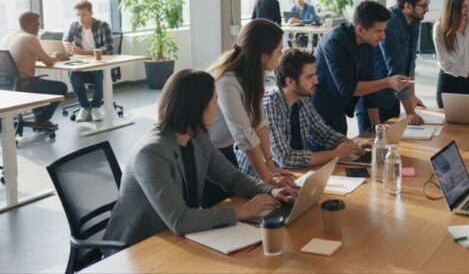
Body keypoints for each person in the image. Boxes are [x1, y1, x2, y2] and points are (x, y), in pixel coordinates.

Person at [103, 69, 297, 250]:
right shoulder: (151, 153)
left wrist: (271, 190)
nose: (217, 106)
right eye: (215, 101)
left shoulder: (197, 136)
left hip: (178, 239)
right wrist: (242, 212)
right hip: (140, 248)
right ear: (197, 107)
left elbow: (232, 178)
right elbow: (180, 220)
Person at [207, 19, 295, 197]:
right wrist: (268, 181)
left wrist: (271, 166)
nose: (281, 54)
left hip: (224, 148)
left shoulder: (254, 73)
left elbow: (259, 121)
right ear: (263, 56)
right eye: (279, 50)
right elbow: (244, 134)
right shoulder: (226, 81)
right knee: (224, 207)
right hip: (206, 153)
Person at [312, 0, 409, 135]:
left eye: (384, 30)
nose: (383, 36)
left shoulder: (368, 42)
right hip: (319, 108)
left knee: (342, 149)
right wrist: (388, 82)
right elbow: (347, 88)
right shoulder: (335, 41)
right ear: (360, 30)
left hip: (339, 107)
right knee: (329, 152)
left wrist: (378, 128)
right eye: (378, 31)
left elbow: (370, 86)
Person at [265, 49, 366, 168]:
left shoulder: (303, 99)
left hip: (292, 173)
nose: (317, 81)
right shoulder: (269, 106)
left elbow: (324, 133)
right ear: (290, 81)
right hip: (265, 179)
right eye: (310, 77)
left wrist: (352, 145)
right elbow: (285, 158)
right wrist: (335, 154)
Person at [356, 0, 431, 133]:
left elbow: (410, 63)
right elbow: (396, 69)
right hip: (374, 98)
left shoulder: (415, 21)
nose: (427, 9)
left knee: (394, 145)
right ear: (408, 5)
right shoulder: (390, 23)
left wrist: (412, 96)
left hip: (394, 94)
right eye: (423, 5)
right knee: (373, 147)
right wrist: (411, 113)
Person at [0, 11, 68, 129]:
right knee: (61, 87)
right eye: (37, 24)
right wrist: (56, 55)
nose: (38, 27)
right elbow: (48, 61)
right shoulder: (30, 38)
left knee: (37, 83)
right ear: (31, 25)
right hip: (23, 85)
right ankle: (42, 118)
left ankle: (39, 117)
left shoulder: (8, 36)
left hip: (5, 85)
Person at [62, 0, 113, 123]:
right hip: (83, 65)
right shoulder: (74, 26)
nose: (80, 18)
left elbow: (108, 48)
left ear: (91, 13)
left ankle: (95, 107)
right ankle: (84, 107)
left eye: (83, 14)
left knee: (99, 73)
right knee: (73, 74)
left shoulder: (103, 25)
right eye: (78, 15)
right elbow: (65, 40)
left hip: (99, 64)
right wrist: (67, 45)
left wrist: (85, 52)